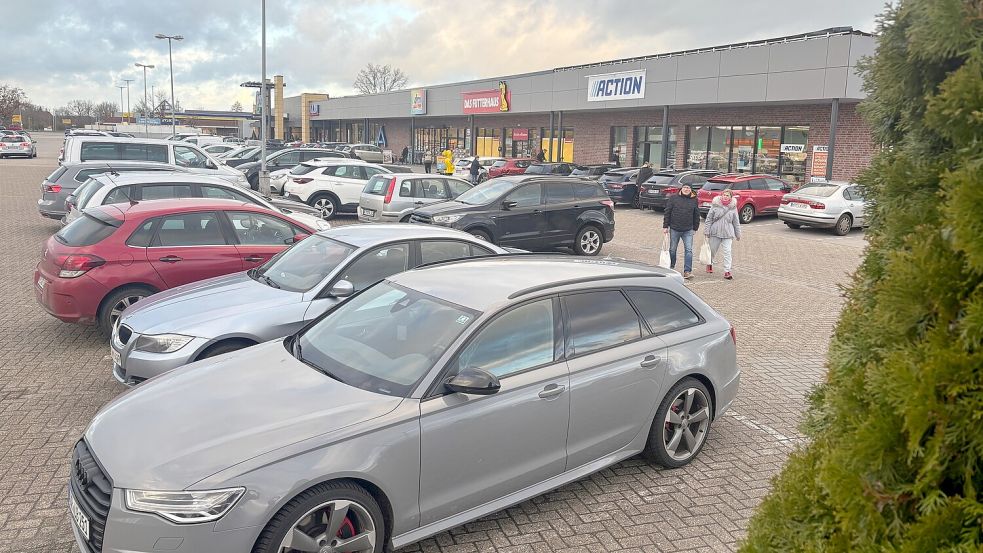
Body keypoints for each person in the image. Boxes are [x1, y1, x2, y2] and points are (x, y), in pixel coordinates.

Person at [662, 183, 701, 279]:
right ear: (681, 189)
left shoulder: (694, 200)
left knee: (689, 250)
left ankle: (687, 271)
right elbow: (668, 211)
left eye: (688, 188)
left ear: (691, 190)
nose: (686, 189)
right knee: (672, 249)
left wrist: (695, 227)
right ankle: (671, 267)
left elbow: (696, 214)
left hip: (688, 229)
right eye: (685, 187)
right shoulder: (674, 198)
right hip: (675, 228)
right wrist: (665, 226)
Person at [703, 188, 741, 280]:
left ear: (730, 197)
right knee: (712, 250)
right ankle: (710, 263)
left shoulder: (733, 207)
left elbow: (736, 221)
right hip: (715, 232)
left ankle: (727, 271)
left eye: (727, 195)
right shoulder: (715, 205)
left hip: (728, 233)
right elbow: (709, 219)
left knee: (727, 252)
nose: (725, 196)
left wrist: (738, 234)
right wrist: (706, 231)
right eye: (724, 194)